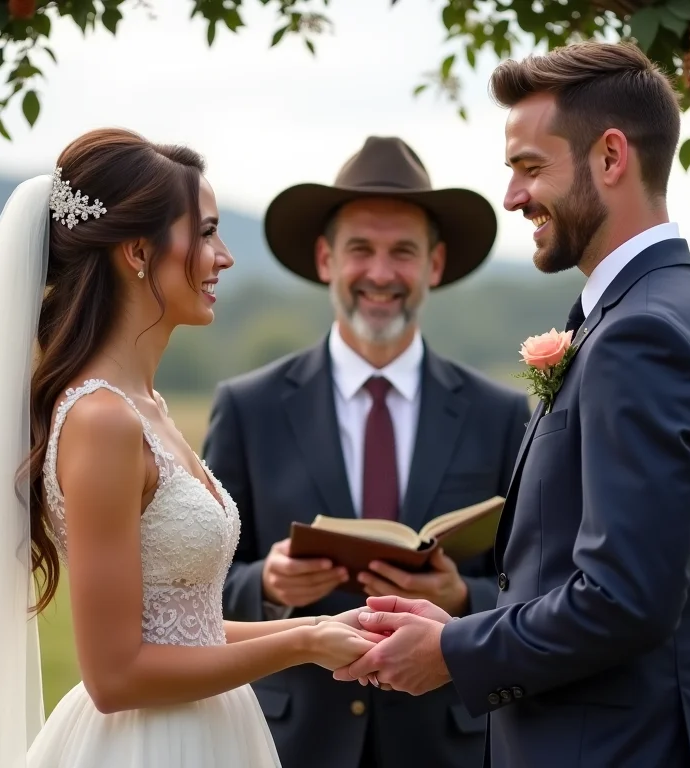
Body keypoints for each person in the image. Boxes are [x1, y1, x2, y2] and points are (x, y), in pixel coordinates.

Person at [0, 127, 380, 768]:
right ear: (138, 251)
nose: (223, 256)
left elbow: (185, 630)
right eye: (204, 233)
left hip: (211, 731)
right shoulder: (102, 421)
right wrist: (300, 647)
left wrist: (320, 629)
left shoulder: (148, 410)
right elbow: (115, 677)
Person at [335, 41, 690, 768]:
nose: (513, 196)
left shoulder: (644, 335)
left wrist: (452, 651)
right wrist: (464, 621)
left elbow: (622, 598)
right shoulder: (649, 311)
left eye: (531, 168)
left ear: (611, 157)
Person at [203, 136, 531, 768]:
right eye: (361, 249)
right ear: (326, 258)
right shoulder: (249, 407)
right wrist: (267, 584)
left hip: (449, 746)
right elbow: (198, 590)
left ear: (434, 265)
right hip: (289, 745)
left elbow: (537, 588)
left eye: (403, 252)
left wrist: (463, 600)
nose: (381, 273)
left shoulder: (500, 413)